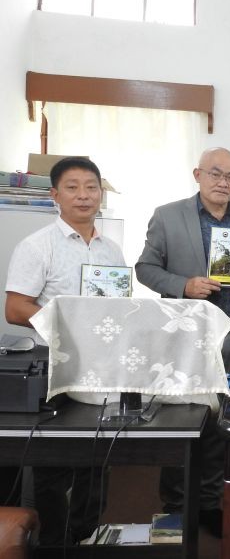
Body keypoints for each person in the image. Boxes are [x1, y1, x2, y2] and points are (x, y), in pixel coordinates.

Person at [135, 147, 230, 537]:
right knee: (181, 420)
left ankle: (211, 502)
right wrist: (183, 285)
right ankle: (175, 504)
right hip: (185, 334)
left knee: (223, 421)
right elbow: (145, 268)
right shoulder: (168, 215)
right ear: (197, 175)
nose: (223, 182)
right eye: (215, 174)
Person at [4, 156, 125, 545]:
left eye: (91, 187)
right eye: (72, 187)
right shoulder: (37, 246)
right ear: (55, 195)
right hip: (53, 366)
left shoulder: (111, 251)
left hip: (100, 367)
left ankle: (85, 538)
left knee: (98, 458)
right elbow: (16, 308)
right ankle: (54, 544)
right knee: (54, 463)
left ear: (100, 194)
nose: (83, 196)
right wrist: (67, 325)